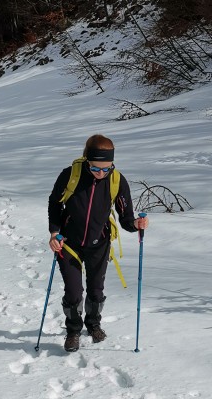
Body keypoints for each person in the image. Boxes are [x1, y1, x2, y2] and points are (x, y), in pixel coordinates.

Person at [48, 134, 149, 352]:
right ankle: (73, 330)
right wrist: (54, 232)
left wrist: (136, 225)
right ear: (87, 161)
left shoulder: (117, 180)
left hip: (100, 243)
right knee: (74, 292)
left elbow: (126, 216)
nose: (101, 173)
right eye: (96, 169)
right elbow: (55, 204)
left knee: (96, 290)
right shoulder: (70, 175)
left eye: (107, 168)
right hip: (69, 243)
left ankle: (93, 325)